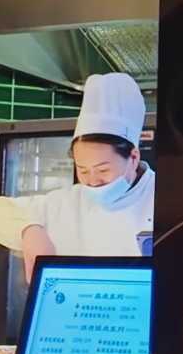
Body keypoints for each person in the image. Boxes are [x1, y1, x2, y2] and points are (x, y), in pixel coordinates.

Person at [17, 71, 155, 262]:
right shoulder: (65, 201)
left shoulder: (162, 196)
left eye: (102, 170)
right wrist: (31, 229)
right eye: (82, 169)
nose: (92, 181)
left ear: (133, 157)